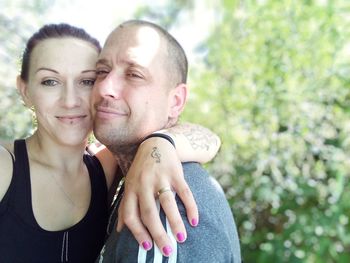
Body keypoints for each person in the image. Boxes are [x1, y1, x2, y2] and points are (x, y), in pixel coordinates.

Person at [0, 23, 221, 262]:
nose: (70, 100)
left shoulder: (104, 168)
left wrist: (161, 144)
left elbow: (211, 139)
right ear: (25, 90)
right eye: (50, 81)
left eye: (86, 80)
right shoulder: (5, 168)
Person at [93, 20, 242, 262]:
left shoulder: (164, 209)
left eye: (134, 74)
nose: (105, 88)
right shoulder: (121, 175)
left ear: (175, 101)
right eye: (101, 72)